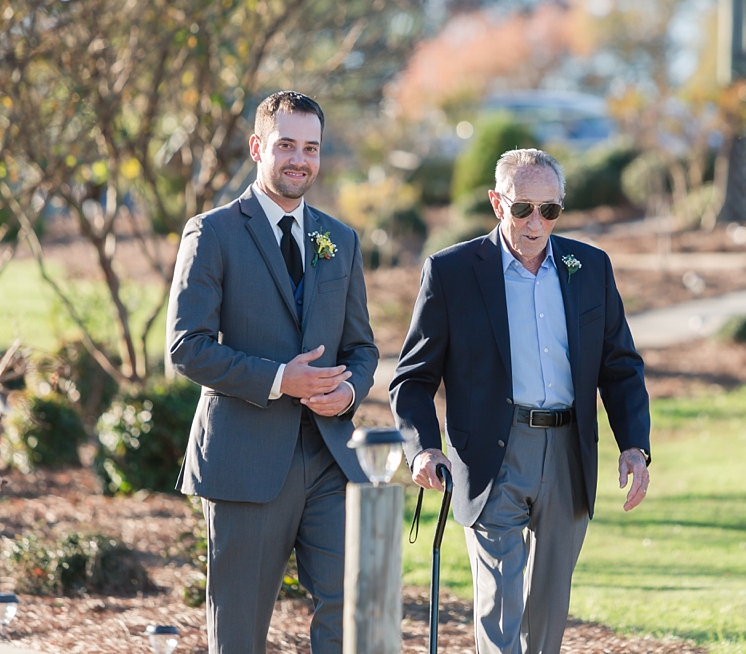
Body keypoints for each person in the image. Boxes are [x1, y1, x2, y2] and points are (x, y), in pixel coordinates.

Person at [389, 148, 651, 654]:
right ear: (496, 202)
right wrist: (422, 448)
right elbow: (413, 378)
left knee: (548, 616)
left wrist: (634, 445)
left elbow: (620, 366)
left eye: (549, 209)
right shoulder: (451, 271)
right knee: (501, 609)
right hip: (491, 456)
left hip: (569, 454)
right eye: (523, 208)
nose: (536, 222)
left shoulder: (590, 267)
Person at [167, 91, 378, 654]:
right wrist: (281, 379)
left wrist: (351, 389)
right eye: (286, 145)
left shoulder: (341, 240)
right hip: (246, 458)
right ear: (258, 147)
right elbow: (186, 347)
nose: (299, 159)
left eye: (310, 148)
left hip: (330, 457)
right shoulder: (212, 232)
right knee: (239, 629)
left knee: (351, 603)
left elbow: (362, 347)